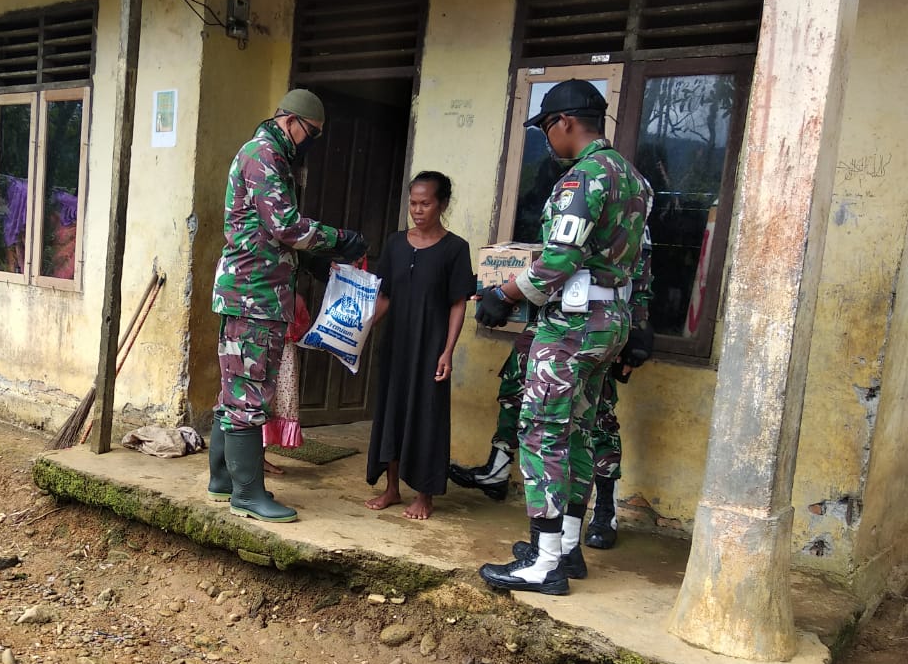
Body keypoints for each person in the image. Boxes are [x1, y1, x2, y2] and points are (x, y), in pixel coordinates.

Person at [475, 80, 652, 595]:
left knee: (541, 432)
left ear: (565, 123)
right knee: (579, 432)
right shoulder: (634, 179)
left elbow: (558, 260)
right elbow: (641, 261)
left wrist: (504, 294)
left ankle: (545, 562)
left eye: (547, 129)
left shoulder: (584, 178)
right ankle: (568, 547)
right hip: (610, 321)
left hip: (571, 326)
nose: (548, 140)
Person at [208, 88, 367, 523]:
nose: (311, 142)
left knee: (235, 389)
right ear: (291, 121)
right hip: (255, 296)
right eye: (311, 133)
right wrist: (339, 239)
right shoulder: (265, 155)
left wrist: (311, 262)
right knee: (248, 393)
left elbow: (269, 232)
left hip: (252, 291)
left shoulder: (267, 154)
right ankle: (247, 494)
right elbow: (285, 225)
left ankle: (223, 480)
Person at [449, 227, 654, 551]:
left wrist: (639, 329)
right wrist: (492, 287)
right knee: (516, 379)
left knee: (595, 417)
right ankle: (498, 470)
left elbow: (639, 277)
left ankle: (604, 509)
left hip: (595, 321)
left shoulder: (619, 207)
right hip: (553, 314)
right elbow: (542, 259)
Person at [365, 171, 474, 520]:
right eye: (413, 203)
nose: (417, 210)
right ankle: (392, 488)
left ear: (442, 204)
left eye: (425, 203)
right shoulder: (395, 244)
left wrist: (447, 351)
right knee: (392, 411)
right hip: (396, 344)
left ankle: (424, 495)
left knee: (427, 415)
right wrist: (357, 332)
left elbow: (458, 302)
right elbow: (384, 296)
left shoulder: (455, 249)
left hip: (430, 347)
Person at [263, 292, 312, 475]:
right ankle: (256, 458)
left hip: (277, 351)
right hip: (269, 350)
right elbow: (303, 325)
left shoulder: (293, 297)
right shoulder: (290, 297)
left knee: (274, 402)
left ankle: (259, 458)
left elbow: (302, 323)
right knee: (263, 402)